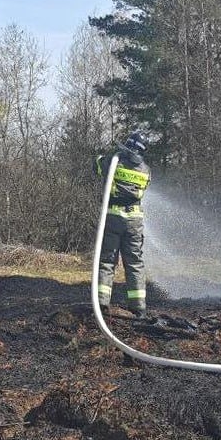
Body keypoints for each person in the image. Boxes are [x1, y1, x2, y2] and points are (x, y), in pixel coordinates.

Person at [94, 131, 151, 318]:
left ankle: (101, 303)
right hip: (135, 221)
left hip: (113, 217)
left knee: (107, 260)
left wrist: (106, 156)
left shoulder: (114, 161)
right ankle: (139, 306)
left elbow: (97, 166)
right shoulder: (146, 170)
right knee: (135, 262)